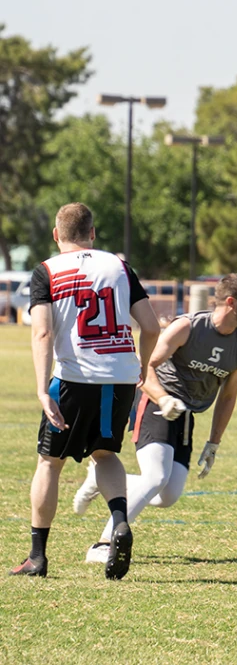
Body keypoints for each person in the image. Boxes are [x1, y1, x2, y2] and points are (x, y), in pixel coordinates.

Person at [10, 203, 160, 580]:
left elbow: (42, 332)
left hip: (75, 378)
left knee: (50, 462)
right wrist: (142, 366)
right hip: (120, 376)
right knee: (106, 455)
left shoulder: (47, 270)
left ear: (56, 235)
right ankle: (120, 523)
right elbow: (152, 326)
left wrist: (43, 389)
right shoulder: (120, 267)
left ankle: (37, 557)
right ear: (93, 233)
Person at [73, 274, 237, 563]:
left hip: (185, 416)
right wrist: (162, 398)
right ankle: (104, 543)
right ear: (232, 302)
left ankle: (101, 478)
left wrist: (214, 442)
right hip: (155, 404)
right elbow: (144, 368)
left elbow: (228, 396)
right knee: (155, 477)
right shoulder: (187, 327)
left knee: (167, 495)